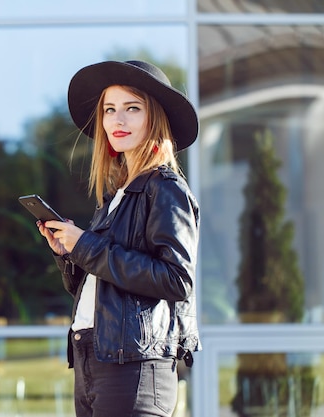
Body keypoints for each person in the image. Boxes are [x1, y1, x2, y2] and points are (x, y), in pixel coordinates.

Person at [36, 60, 201, 417]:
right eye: (110, 110)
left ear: (154, 118)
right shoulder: (117, 197)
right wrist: (70, 254)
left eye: (132, 108)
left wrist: (87, 246)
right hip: (94, 358)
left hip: (135, 367)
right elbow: (112, 287)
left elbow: (177, 279)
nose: (117, 120)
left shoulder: (166, 189)